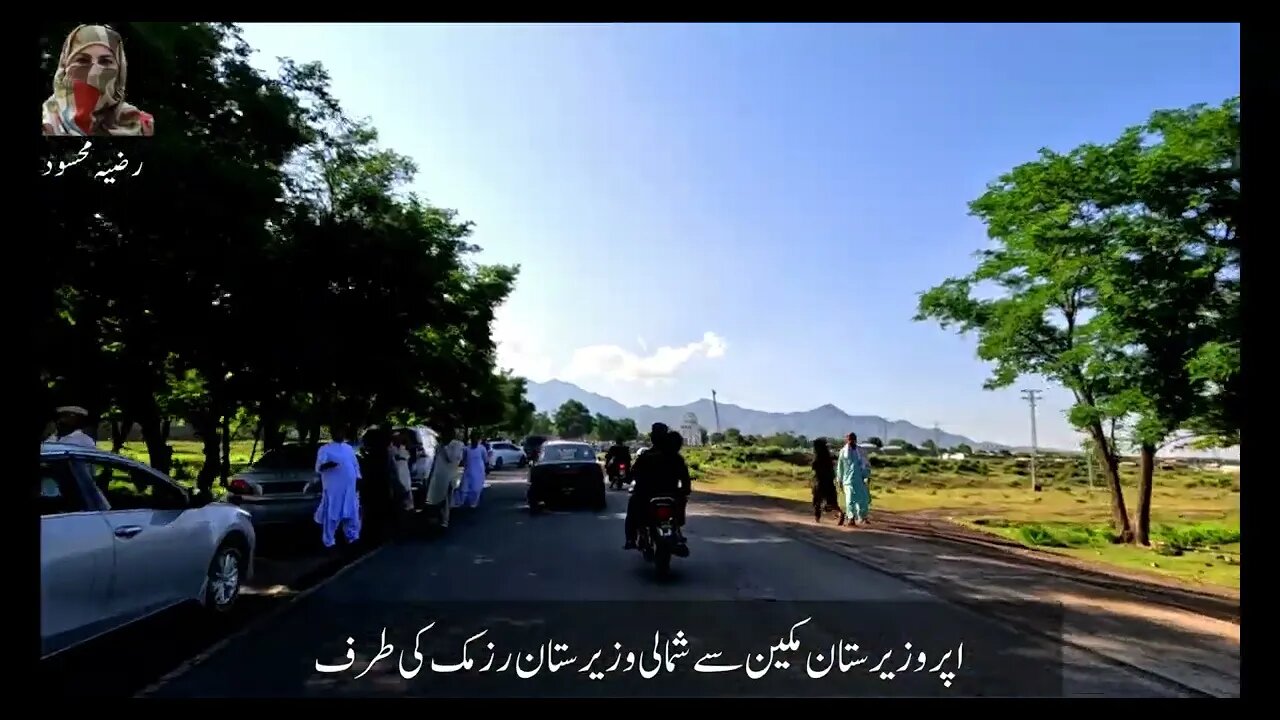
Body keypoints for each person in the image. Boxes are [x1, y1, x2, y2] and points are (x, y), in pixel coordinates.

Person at [42, 25, 155, 137]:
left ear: (120, 71)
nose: (94, 72)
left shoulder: (141, 126)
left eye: (105, 62)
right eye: (82, 60)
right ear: (65, 66)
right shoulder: (46, 123)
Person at [624, 423, 685, 549]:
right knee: (680, 502)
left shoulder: (645, 456)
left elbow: (631, 474)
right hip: (670, 493)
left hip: (646, 494)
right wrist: (684, 490)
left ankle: (631, 539)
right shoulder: (675, 457)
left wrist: (628, 478)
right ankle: (677, 532)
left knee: (633, 507)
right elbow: (685, 477)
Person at [314, 425, 362, 549]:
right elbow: (320, 467)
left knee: (351, 513)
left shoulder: (348, 448)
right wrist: (328, 465)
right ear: (333, 434)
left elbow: (355, 466)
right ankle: (329, 541)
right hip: (334, 489)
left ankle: (352, 538)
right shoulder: (325, 449)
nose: (340, 434)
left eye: (342, 432)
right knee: (332, 514)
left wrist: (357, 479)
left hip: (349, 488)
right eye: (337, 432)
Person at [426, 428, 466, 529]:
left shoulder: (457, 445)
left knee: (446, 499)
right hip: (438, 475)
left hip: (449, 476)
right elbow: (436, 460)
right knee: (435, 499)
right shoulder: (440, 445)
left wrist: (445, 447)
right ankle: (437, 520)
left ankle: (445, 521)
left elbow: (452, 458)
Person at [837, 433, 873, 526]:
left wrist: (867, 476)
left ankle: (862, 517)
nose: (851, 441)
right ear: (846, 440)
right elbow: (840, 467)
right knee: (849, 500)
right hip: (848, 480)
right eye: (849, 439)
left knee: (864, 500)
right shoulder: (843, 452)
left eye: (853, 439)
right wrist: (839, 479)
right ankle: (851, 518)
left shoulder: (861, 451)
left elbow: (866, 464)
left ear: (856, 440)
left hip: (860, 480)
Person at [811, 439, 844, 524]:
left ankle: (817, 516)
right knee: (832, 501)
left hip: (820, 481)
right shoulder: (829, 457)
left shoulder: (817, 457)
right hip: (829, 482)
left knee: (817, 500)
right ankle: (840, 513)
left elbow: (814, 468)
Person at [455, 435, 488, 509]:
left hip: (479, 471)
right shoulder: (466, 449)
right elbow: (463, 459)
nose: (475, 442)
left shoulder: (482, 448)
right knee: (464, 487)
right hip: (469, 470)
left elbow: (485, 459)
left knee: (477, 488)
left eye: (476, 440)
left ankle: (474, 503)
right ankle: (461, 502)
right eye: (473, 440)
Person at [391, 434, 413, 512]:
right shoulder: (392, 448)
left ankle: (408, 504)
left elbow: (408, 457)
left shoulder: (404, 448)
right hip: (397, 468)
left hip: (404, 467)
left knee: (406, 485)